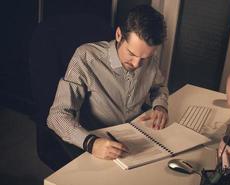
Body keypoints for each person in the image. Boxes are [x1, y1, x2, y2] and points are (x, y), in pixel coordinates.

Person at [47, 5, 169, 161]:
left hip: (137, 138)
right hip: (99, 145)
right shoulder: (86, 57)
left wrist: (160, 105)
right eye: (131, 53)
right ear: (119, 35)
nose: (137, 64)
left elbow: (158, 87)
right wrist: (91, 143)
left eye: (144, 58)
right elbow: (56, 116)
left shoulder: (150, 59)